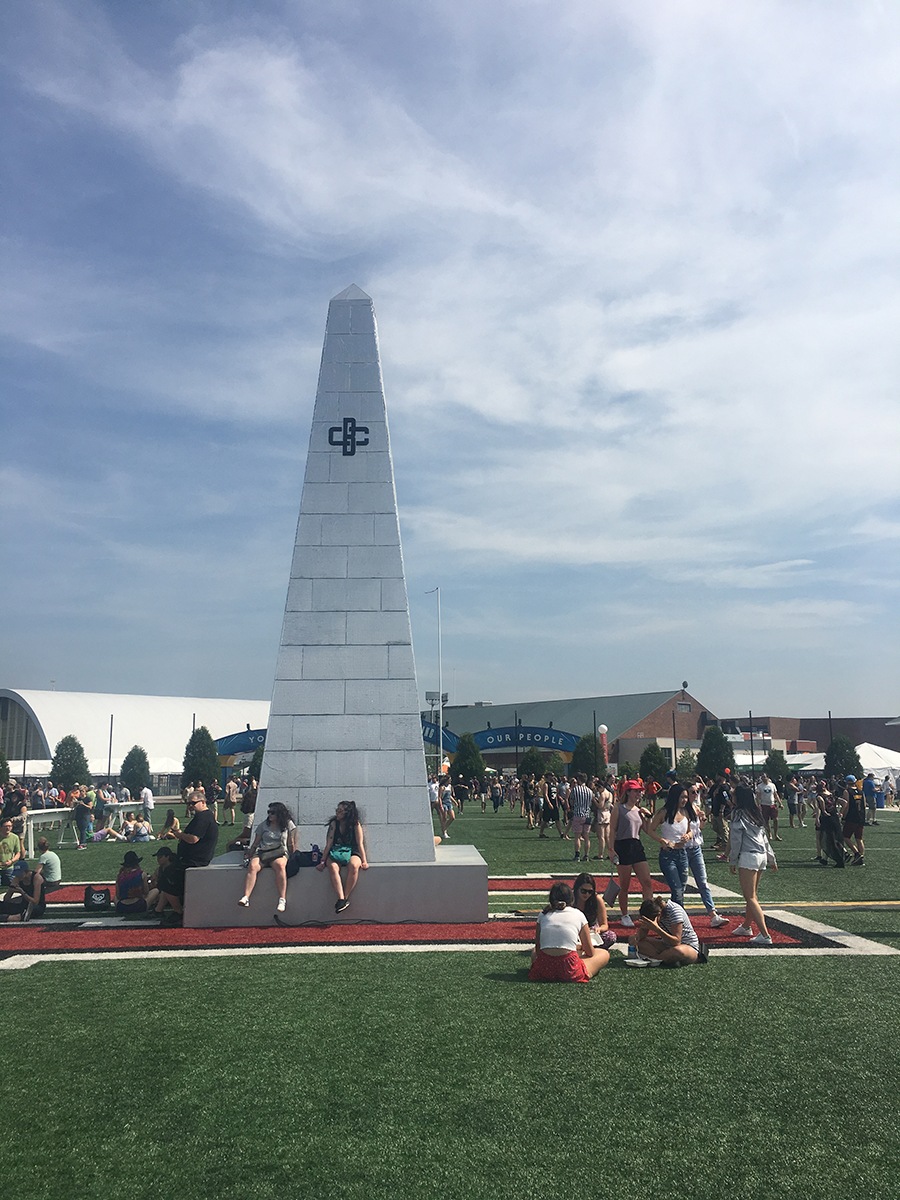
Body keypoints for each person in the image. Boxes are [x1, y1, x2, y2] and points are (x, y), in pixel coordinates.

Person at [156, 790, 219, 924]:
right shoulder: (203, 816)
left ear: (203, 802)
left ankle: (179, 912)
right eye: (188, 803)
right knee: (166, 874)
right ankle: (158, 910)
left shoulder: (203, 817)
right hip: (191, 858)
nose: (190, 805)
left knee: (166, 878)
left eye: (193, 803)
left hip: (195, 860)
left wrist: (178, 834)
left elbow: (193, 839)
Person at [528, 881, 608, 981]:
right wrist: (581, 949)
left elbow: (539, 950)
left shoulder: (543, 914)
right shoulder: (578, 914)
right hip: (568, 969)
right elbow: (590, 952)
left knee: (534, 952)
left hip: (544, 968)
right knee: (603, 954)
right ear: (571, 898)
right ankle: (584, 971)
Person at [729, 784, 777, 945]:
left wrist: (732, 860)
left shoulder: (738, 813)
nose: (732, 798)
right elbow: (764, 838)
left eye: (734, 795)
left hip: (749, 856)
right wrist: (771, 858)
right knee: (753, 896)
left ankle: (764, 934)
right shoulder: (755, 812)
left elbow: (736, 840)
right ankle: (746, 926)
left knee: (750, 897)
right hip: (761, 855)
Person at [608, 780, 654, 927]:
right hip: (623, 845)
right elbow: (612, 829)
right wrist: (610, 849)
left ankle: (648, 914)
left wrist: (648, 817)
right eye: (635, 791)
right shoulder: (619, 808)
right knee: (625, 884)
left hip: (636, 845)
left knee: (647, 881)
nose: (638, 793)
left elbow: (647, 830)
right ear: (628, 792)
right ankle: (624, 914)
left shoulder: (639, 810)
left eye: (639, 791)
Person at [238, 801, 297, 913]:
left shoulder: (288, 824)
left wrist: (293, 854)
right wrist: (249, 854)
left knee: (280, 866)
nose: (270, 815)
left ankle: (282, 899)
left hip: (279, 852)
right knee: (253, 866)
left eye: (273, 813)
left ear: (279, 814)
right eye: (268, 812)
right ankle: (246, 897)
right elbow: (256, 843)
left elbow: (291, 842)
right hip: (263, 851)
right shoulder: (263, 825)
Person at [316, 800, 368, 913]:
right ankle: (341, 898)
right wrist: (322, 860)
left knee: (354, 865)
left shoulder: (355, 824)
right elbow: (329, 843)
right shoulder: (334, 824)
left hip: (352, 850)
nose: (337, 813)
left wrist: (364, 860)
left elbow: (360, 843)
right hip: (337, 850)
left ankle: (345, 896)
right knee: (333, 867)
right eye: (337, 810)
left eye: (340, 811)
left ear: (347, 813)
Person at [647, 784, 691, 906]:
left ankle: (673, 914)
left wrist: (688, 836)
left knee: (681, 888)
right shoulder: (664, 813)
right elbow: (651, 830)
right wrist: (662, 840)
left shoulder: (685, 812)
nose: (684, 800)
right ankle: (678, 918)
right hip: (668, 855)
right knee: (676, 889)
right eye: (682, 797)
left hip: (682, 854)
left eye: (686, 797)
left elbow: (690, 830)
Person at [630, 895, 700, 966]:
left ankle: (656, 959)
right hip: (666, 944)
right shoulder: (653, 911)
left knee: (677, 951)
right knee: (640, 943)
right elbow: (642, 935)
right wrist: (636, 937)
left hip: (687, 946)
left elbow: (676, 942)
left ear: (658, 915)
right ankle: (663, 959)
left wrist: (657, 929)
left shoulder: (674, 911)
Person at [571, 871, 616, 950]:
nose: (587, 894)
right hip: (573, 931)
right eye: (583, 891)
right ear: (577, 889)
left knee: (610, 936)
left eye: (590, 892)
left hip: (591, 931)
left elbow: (604, 925)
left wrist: (599, 929)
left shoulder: (597, 899)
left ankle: (586, 947)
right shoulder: (570, 899)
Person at [568, 772, 594, 862]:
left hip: (578, 814)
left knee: (577, 836)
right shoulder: (590, 791)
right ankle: (586, 855)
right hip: (587, 814)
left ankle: (577, 855)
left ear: (579, 780)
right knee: (586, 837)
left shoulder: (575, 790)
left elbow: (571, 801)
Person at [115, 850, 149, 915]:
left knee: (114, 898)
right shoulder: (142, 874)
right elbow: (146, 892)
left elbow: (118, 896)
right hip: (138, 906)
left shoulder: (119, 876)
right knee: (155, 891)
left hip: (122, 907)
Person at [754, 773, 782, 842]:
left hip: (772, 804)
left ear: (767, 777)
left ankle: (776, 834)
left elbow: (776, 795)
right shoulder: (760, 786)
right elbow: (757, 797)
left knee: (776, 819)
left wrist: (780, 803)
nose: (763, 778)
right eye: (762, 777)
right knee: (766, 821)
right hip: (764, 805)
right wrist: (758, 805)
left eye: (764, 777)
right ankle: (769, 834)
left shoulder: (772, 785)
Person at [0, 817, 25, 886]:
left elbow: (18, 853)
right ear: (1, 827)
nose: (8, 828)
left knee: (14, 885)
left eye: (10, 826)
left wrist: (11, 861)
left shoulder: (15, 837)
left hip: (9, 867)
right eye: (6, 826)